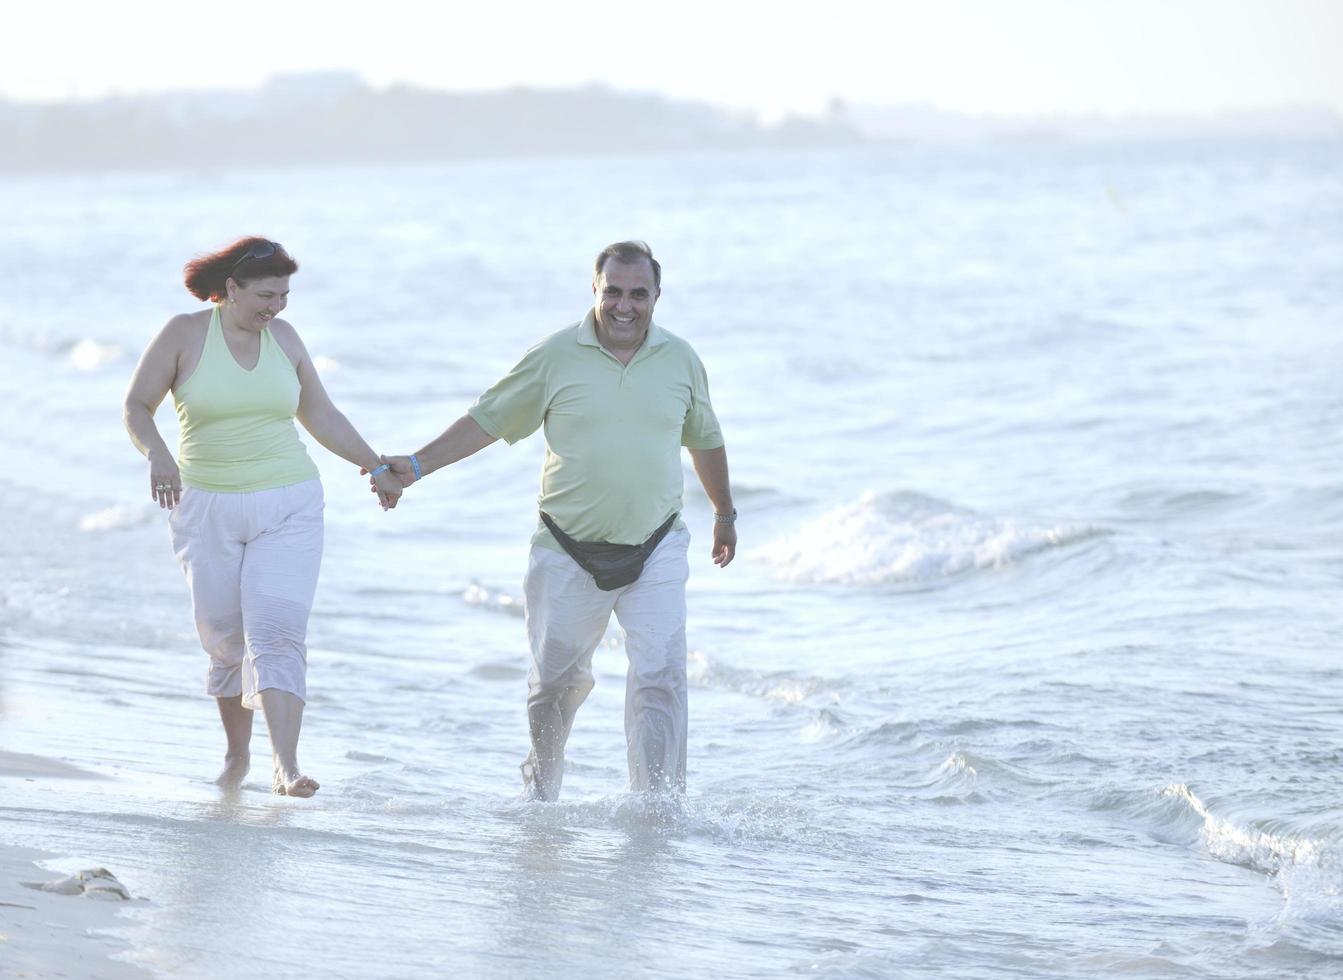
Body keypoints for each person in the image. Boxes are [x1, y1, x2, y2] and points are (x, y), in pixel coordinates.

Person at [374, 241, 736, 801]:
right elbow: (488, 420)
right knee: (554, 688)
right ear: (595, 289)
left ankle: (658, 807)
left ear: (657, 296)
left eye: (638, 294)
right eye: (612, 291)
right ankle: (541, 796)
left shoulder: (681, 359)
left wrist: (724, 514)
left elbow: (706, 440)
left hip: (658, 544)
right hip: (567, 550)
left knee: (661, 677)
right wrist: (416, 466)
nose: (624, 305)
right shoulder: (554, 355)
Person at [123, 237, 404, 797]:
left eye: (284, 295)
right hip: (205, 506)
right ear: (230, 289)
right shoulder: (184, 334)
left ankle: (287, 764)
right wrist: (158, 453)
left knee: (277, 630)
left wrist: (375, 464)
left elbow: (320, 412)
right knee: (225, 638)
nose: (275, 307)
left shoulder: (285, 339)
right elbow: (136, 406)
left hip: (289, 502)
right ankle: (237, 754)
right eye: (266, 295)